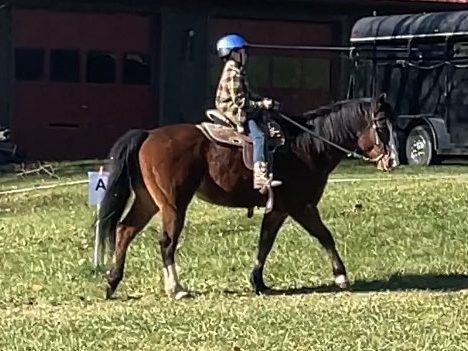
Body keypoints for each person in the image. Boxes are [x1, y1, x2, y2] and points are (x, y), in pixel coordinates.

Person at [214, 34, 282, 191]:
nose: (246, 55)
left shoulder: (237, 70)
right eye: (243, 51)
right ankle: (260, 177)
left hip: (237, 106)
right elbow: (241, 102)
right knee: (259, 136)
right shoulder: (233, 73)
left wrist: (264, 101)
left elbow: (248, 94)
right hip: (233, 110)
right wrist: (261, 105)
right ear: (234, 53)